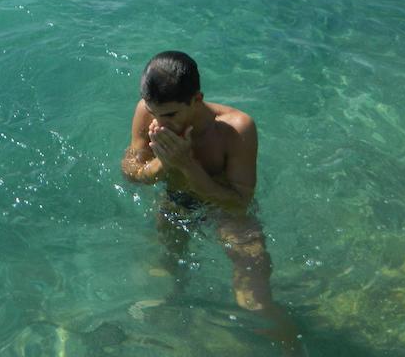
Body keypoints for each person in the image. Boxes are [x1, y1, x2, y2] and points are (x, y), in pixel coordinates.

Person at [121, 51, 304, 354]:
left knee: (255, 302)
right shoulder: (148, 110)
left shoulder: (236, 129)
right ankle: (179, 330)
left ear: (196, 99)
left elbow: (238, 203)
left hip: (226, 212)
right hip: (174, 203)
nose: (160, 122)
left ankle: (293, 349)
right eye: (154, 113)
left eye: (170, 115)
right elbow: (131, 170)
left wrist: (187, 165)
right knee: (166, 274)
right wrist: (163, 165)